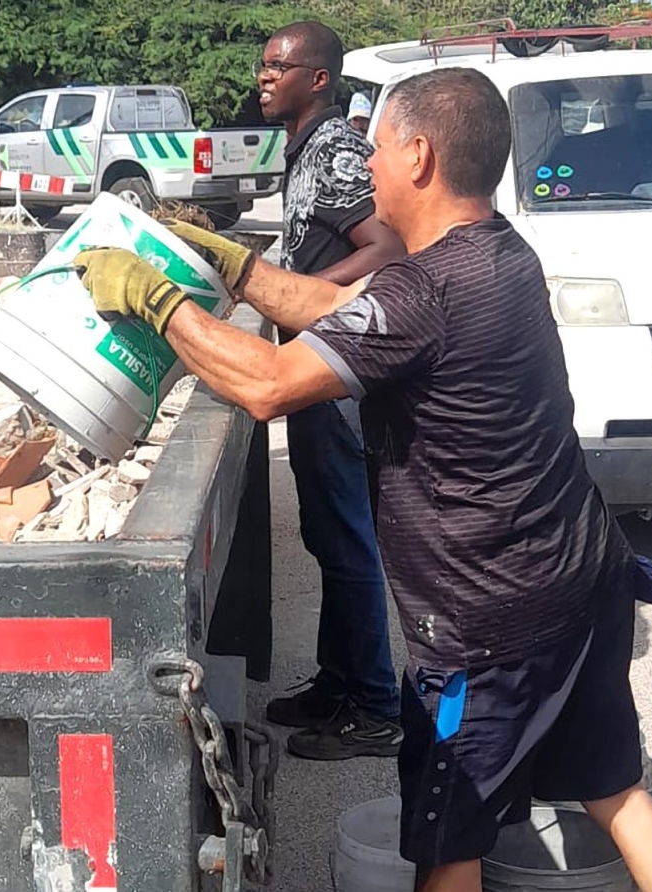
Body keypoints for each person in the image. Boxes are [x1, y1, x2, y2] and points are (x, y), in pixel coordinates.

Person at [74, 66, 652, 892]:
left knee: (447, 848)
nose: (364, 166)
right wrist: (233, 268)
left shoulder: (425, 290)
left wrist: (157, 301)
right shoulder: (500, 253)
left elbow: (266, 383)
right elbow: (339, 311)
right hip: (583, 584)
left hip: (489, 630)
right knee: (617, 793)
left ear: (418, 154)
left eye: (375, 149)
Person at [251, 20, 407, 760]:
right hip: (312, 361)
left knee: (347, 539)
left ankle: (375, 706)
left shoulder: (338, 149)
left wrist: (302, 293)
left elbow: (384, 247)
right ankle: (338, 683)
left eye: (279, 66)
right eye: (263, 65)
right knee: (325, 531)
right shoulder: (305, 145)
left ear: (318, 78)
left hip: (335, 368)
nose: (264, 76)